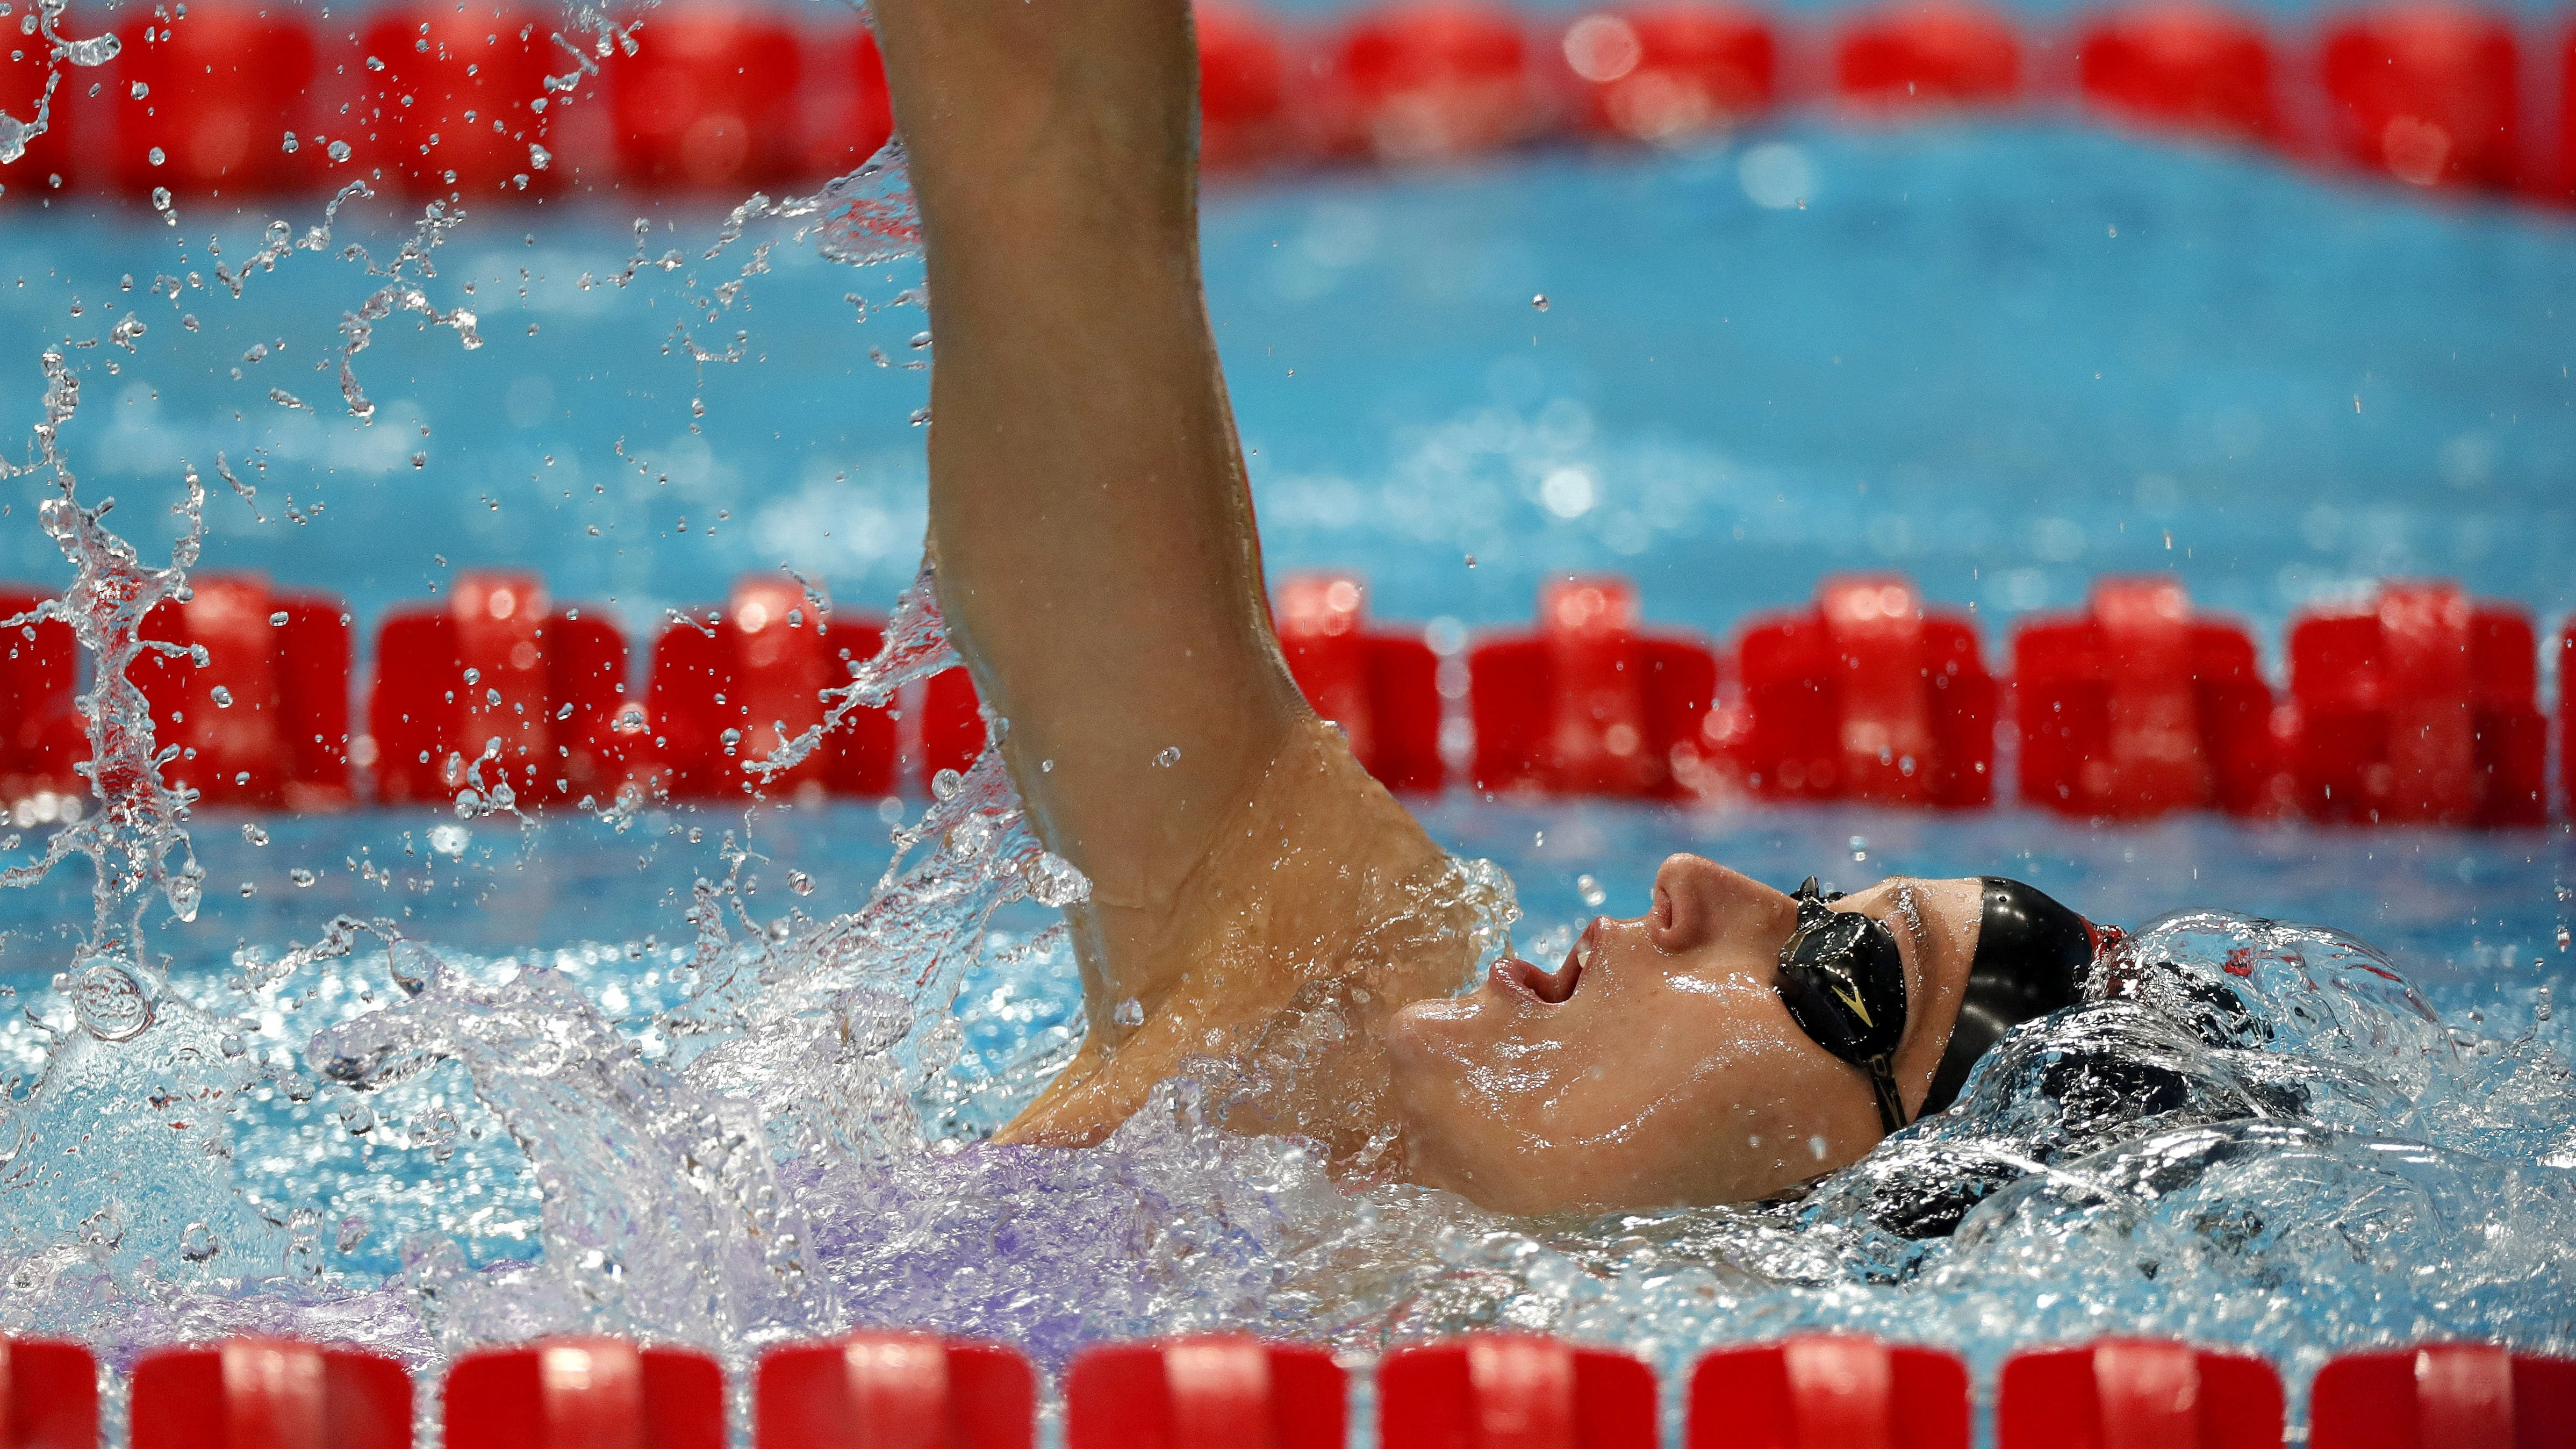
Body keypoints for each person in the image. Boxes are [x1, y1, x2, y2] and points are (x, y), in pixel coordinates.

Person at [869, 0, 2114, 1216]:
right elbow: (1047, 150)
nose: (1689, 879)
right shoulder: (1288, 1017)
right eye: (1806, 904)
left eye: (1840, 979)